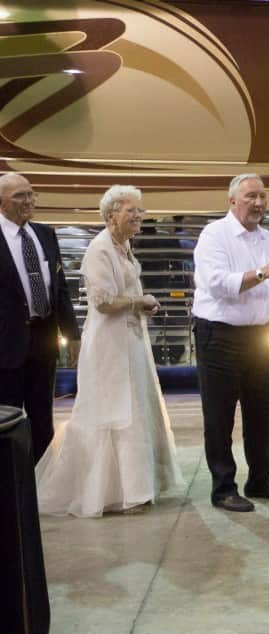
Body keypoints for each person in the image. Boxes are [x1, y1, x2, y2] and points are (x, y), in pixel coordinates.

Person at [35, 186, 184, 516]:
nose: (138, 216)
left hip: (131, 337)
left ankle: (140, 486)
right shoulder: (99, 249)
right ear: (111, 214)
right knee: (115, 410)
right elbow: (102, 302)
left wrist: (141, 305)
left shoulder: (125, 245)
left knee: (136, 406)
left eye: (140, 210)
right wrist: (138, 301)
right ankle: (115, 493)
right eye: (131, 210)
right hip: (109, 343)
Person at [192, 174, 269, 512]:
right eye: (251, 196)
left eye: (262, 197)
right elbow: (218, 284)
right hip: (219, 335)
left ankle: (260, 479)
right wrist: (266, 271)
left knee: (265, 412)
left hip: (258, 335)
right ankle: (223, 487)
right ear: (232, 201)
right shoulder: (214, 235)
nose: (259, 203)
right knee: (220, 416)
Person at [0, 172, 80, 462]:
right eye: (19, 195)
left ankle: (41, 486)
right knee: (7, 419)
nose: (28, 201)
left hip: (43, 339)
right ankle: (11, 491)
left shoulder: (45, 234)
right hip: (6, 344)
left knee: (42, 417)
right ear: (1, 202)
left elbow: (60, 288)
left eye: (31, 193)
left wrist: (72, 334)